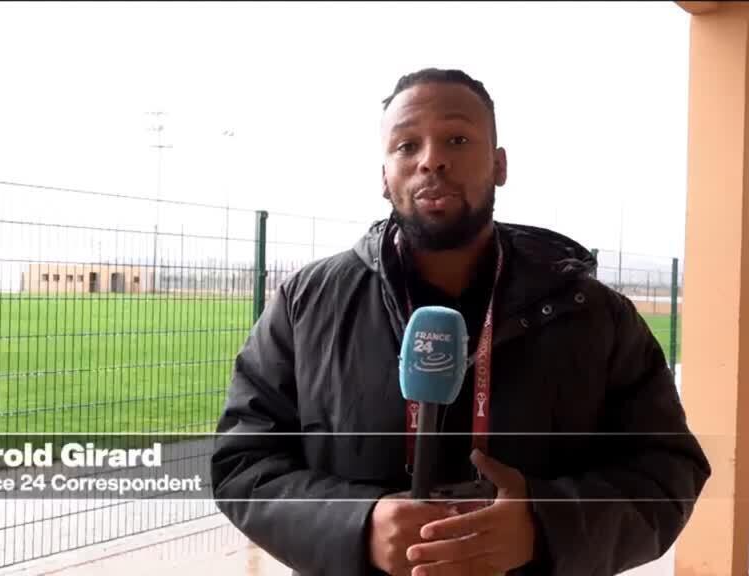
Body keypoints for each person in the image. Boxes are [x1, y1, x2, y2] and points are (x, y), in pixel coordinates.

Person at [211, 68, 711, 576]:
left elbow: (668, 470)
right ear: (384, 176)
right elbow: (243, 462)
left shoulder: (593, 315)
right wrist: (357, 524)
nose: (431, 160)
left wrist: (543, 527)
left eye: (457, 139)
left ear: (499, 164)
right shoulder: (307, 305)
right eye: (407, 145)